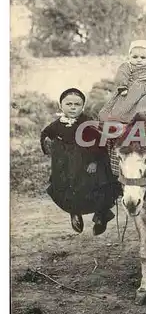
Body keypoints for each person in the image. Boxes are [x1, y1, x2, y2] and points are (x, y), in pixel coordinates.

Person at [40, 88, 120, 236]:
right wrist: (47, 142)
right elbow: (46, 134)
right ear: (61, 106)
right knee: (67, 189)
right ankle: (74, 212)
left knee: (99, 189)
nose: (72, 107)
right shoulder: (57, 125)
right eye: (68, 104)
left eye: (77, 104)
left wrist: (95, 161)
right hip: (67, 166)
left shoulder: (88, 122)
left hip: (89, 163)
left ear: (82, 106)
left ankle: (101, 215)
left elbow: (100, 142)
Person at [99, 40, 146, 123]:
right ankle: (117, 116)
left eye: (143, 57)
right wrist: (123, 86)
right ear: (129, 56)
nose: (139, 60)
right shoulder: (128, 66)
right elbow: (121, 75)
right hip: (131, 88)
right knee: (124, 101)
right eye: (135, 57)